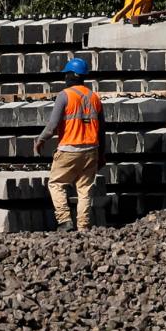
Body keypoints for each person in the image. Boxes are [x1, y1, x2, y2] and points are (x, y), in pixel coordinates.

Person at [33, 58, 105, 232]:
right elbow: (102, 131)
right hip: (91, 150)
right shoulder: (94, 98)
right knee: (84, 189)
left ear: (72, 75)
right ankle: (83, 227)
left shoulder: (64, 95)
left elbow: (52, 126)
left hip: (69, 149)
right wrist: (102, 154)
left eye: (67, 74)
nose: (65, 77)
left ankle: (65, 220)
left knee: (56, 184)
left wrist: (40, 140)